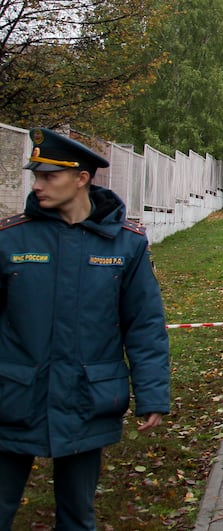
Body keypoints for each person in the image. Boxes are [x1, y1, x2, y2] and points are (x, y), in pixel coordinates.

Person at [0, 128, 170, 528]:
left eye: (48, 176)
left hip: (86, 399)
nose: (37, 185)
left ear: (82, 178)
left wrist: (152, 394)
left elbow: (144, 324)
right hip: (14, 397)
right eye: (36, 176)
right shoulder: (11, 239)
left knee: (77, 515)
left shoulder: (125, 245)